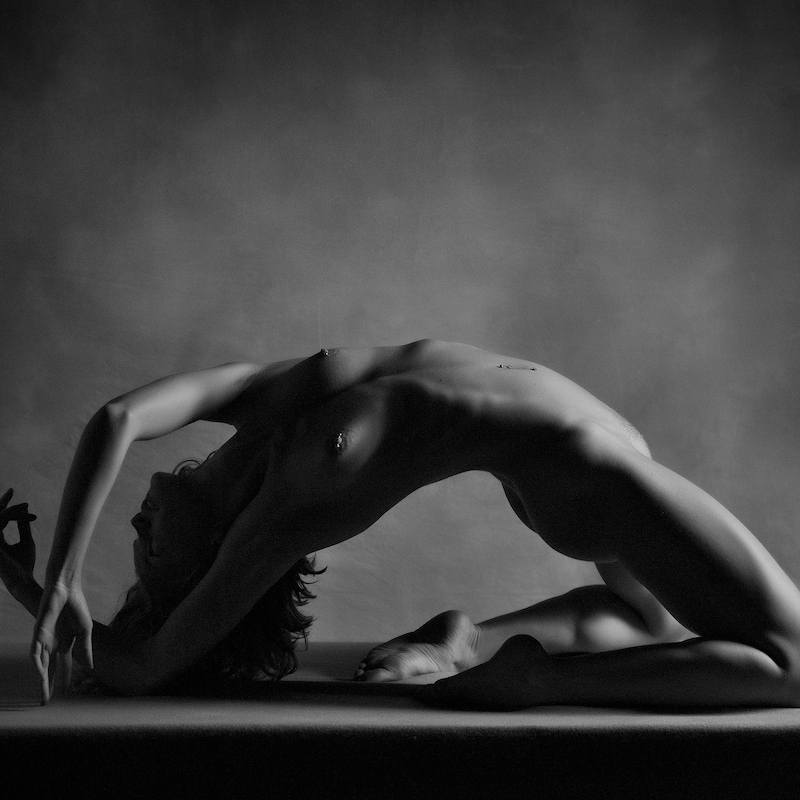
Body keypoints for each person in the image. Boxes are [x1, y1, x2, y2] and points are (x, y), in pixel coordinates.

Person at [8, 339, 800, 708]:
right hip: (584, 470)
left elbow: (119, 417)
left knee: (643, 619)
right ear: (213, 555)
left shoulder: (269, 402)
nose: (136, 526)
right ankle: (541, 678)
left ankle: (469, 640)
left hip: (583, 450)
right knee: (792, 664)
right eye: (153, 554)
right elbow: (148, 667)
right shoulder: (282, 513)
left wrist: (64, 577)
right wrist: (25, 581)